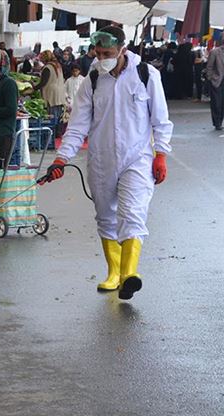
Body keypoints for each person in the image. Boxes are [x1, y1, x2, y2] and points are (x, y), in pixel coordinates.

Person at [42, 26, 173, 300]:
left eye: (108, 53)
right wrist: (61, 158)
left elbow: (160, 119)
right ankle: (114, 273)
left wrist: (160, 153)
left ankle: (129, 274)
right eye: (98, 53)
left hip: (136, 158)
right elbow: (77, 126)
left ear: (123, 50)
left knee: (132, 212)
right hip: (101, 160)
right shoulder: (92, 80)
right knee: (106, 216)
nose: (102, 58)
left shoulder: (146, 75)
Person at [35, 50, 67, 130]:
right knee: (58, 114)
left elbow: (43, 82)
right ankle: (58, 131)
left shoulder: (48, 67)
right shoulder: (57, 65)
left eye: (42, 58)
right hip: (60, 92)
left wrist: (33, 87)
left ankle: (53, 132)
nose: (41, 60)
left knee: (52, 115)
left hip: (52, 94)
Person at [207, 40, 224, 130]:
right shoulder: (215, 52)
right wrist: (211, 78)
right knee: (216, 103)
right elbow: (209, 66)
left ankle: (220, 121)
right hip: (217, 80)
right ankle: (217, 123)